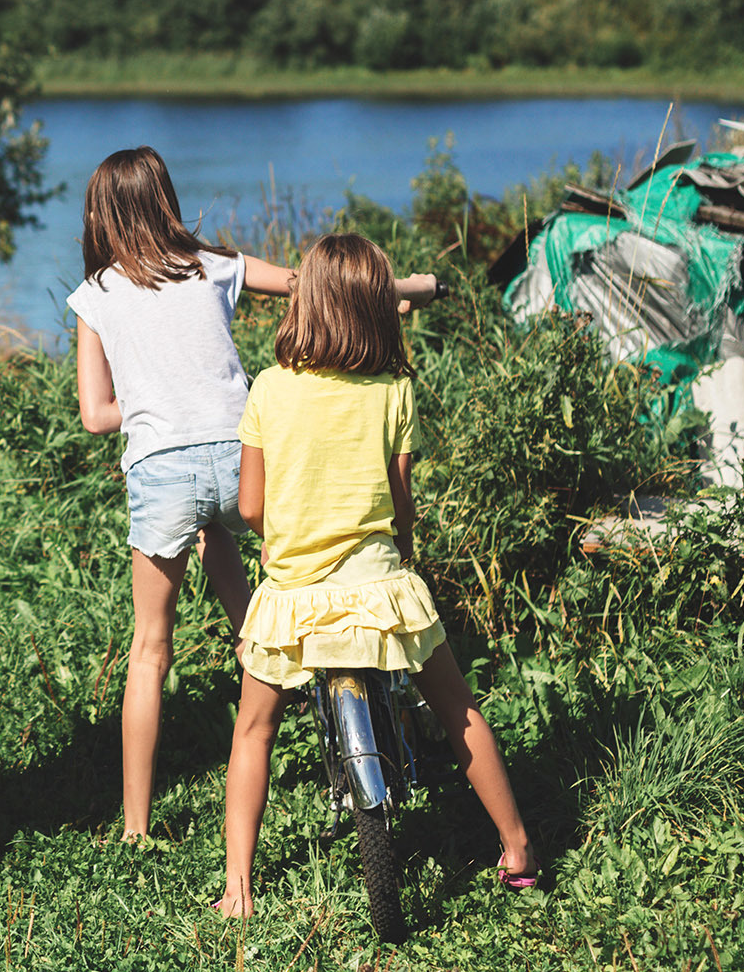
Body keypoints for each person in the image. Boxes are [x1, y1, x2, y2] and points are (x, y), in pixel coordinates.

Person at [70, 148, 447, 842]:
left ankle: (134, 828)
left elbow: (95, 413)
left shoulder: (95, 294)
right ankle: (336, 724)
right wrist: (411, 287)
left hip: (164, 470)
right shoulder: (212, 265)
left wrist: (154, 401)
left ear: (99, 214)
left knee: (151, 647)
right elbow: (320, 282)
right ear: (166, 201)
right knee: (261, 575)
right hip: (238, 453)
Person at [216, 232, 537, 916]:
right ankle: (517, 849)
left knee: (254, 731)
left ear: (303, 304)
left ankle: (237, 885)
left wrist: (275, 541)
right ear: (377, 309)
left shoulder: (270, 389)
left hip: (295, 593)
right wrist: (404, 553)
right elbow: (400, 504)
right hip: (379, 587)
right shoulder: (394, 391)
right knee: (458, 708)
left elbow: (249, 505)